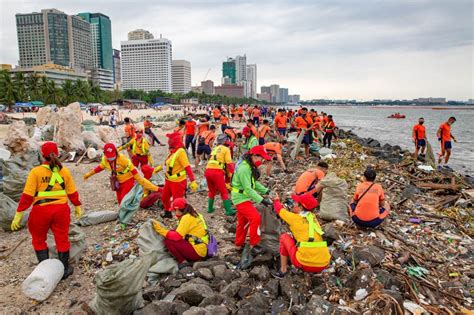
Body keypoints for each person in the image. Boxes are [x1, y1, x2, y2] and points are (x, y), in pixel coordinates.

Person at [11, 142, 82, 279]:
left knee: (38, 239)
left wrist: (18, 214)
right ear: (58, 153)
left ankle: (45, 270)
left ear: (42, 155)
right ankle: (64, 269)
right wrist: (77, 206)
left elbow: (27, 196)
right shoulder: (64, 171)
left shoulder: (36, 172)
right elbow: (72, 192)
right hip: (61, 210)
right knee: (62, 239)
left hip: (40, 211)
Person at [271, 192, 331, 278]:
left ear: (300, 207)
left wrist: (276, 200)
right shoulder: (313, 218)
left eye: (295, 203)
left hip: (304, 263)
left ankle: (283, 270)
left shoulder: (294, 218)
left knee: (284, 237)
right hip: (323, 264)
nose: (293, 204)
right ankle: (314, 270)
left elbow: (279, 210)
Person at [84, 143, 158, 205]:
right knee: (119, 200)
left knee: (124, 199)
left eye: (112, 156)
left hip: (128, 180)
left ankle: (126, 217)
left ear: (116, 152)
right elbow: (99, 168)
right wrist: (88, 174)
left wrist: (156, 188)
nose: (111, 158)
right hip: (118, 182)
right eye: (109, 156)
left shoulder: (123, 160)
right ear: (105, 154)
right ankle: (123, 214)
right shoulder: (105, 160)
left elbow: (140, 179)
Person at [231, 145, 272, 255]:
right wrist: (262, 200)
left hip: (241, 197)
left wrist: (266, 191)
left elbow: (253, 183)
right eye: (261, 158)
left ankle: (238, 244)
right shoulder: (244, 168)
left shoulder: (248, 165)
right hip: (240, 198)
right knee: (255, 218)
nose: (262, 160)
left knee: (242, 221)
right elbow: (248, 189)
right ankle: (254, 245)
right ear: (254, 155)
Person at [152, 198, 208, 268]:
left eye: (175, 210)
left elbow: (177, 236)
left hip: (198, 252)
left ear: (178, 209)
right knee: (172, 233)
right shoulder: (194, 214)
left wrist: (160, 230)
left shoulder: (186, 218)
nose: (175, 213)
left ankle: (183, 262)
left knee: (168, 240)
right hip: (203, 247)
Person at [162, 132, 199, 218]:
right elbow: (168, 164)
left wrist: (193, 180)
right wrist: (157, 169)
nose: (169, 141)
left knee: (177, 203)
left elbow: (187, 167)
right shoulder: (173, 152)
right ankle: (168, 212)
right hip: (169, 180)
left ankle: (181, 220)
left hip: (178, 182)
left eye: (170, 140)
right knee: (164, 197)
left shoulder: (181, 152)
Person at [205, 134, 235, 215]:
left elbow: (209, 158)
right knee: (224, 192)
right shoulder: (226, 149)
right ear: (225, 141)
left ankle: (210, 208)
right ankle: (229, 211)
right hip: (217, 172)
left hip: (207, 170)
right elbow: (229, 163)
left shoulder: (214, 148)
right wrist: (233, 174)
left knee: (211, 191)